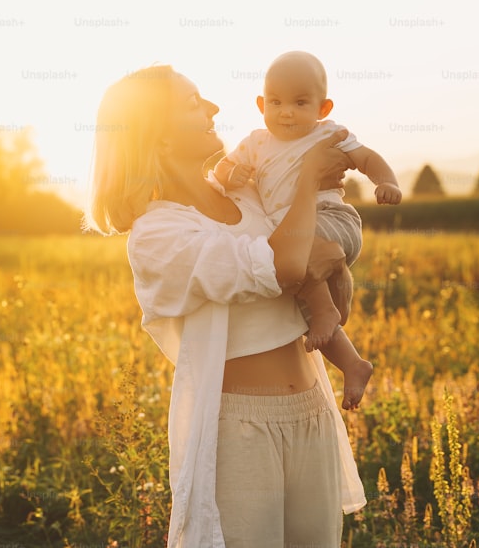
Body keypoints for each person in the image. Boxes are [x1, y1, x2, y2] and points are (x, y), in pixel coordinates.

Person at [86, 64, 367, 548]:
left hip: (314, 413)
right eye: (194, 102)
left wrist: (314, 243)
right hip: (240, 429)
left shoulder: (246, 190)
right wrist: (305, 185)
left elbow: (322, 256)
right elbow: (285, 267)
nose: (213, 108)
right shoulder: (159, 235)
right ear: (159, 135)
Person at [212, 50, 402, 409]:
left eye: (300, 103)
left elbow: (367, 158)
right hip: (295, 233)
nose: (286, 111)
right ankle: (353, 364)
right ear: (260, 104)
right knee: (304, 306)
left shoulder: (328, 135)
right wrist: (230, 174)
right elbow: (224, 167)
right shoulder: (255, 143)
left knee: (302, 266)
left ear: (323, 109)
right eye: (275, 102)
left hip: (331, 219)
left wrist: (386, 181)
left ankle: (331, 307)